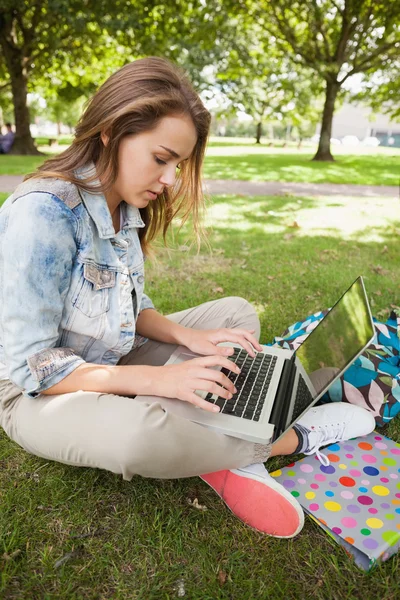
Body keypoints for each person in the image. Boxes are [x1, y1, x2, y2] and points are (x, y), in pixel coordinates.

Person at [0, 57, 375, 539]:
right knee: (137, 438)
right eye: (161, 159)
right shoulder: (44, 214)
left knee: (234, 314)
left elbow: (131, 311)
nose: (171, 180)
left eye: (177, 164)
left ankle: (209, 436)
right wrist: (163, 380)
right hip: (32, 394)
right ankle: (284, 439)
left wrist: (190, 337)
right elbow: (35, 368)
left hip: (113, 356)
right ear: (112, 131)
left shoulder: (123, 208)